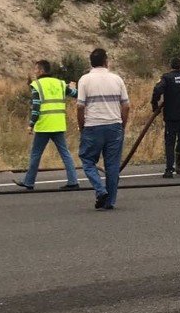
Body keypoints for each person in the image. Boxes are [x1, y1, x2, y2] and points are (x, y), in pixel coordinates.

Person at [76, 48, 130, 210]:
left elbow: (80, 106)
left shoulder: (84, 80)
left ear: (91, 63)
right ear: (106, 61)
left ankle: (100, 190)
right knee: (112, 166)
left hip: (93, 126)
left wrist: (82, 126)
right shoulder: (117, 79)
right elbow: (126, 105)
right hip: (114, 125)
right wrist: (122, 125)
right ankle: (110, 201)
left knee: (87, 160)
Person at [14, 60, 80, 192]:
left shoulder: (36, 85)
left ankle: (29, 182)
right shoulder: (60, 83)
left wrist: (31, 124)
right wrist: (73, 87)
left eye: (36, 69)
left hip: (44, 125)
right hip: (58, 124)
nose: (35, 72)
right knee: (65, 153)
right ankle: (73, 181)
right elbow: (76, 94)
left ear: (41, 71)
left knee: (36, 154)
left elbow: (36, 107)